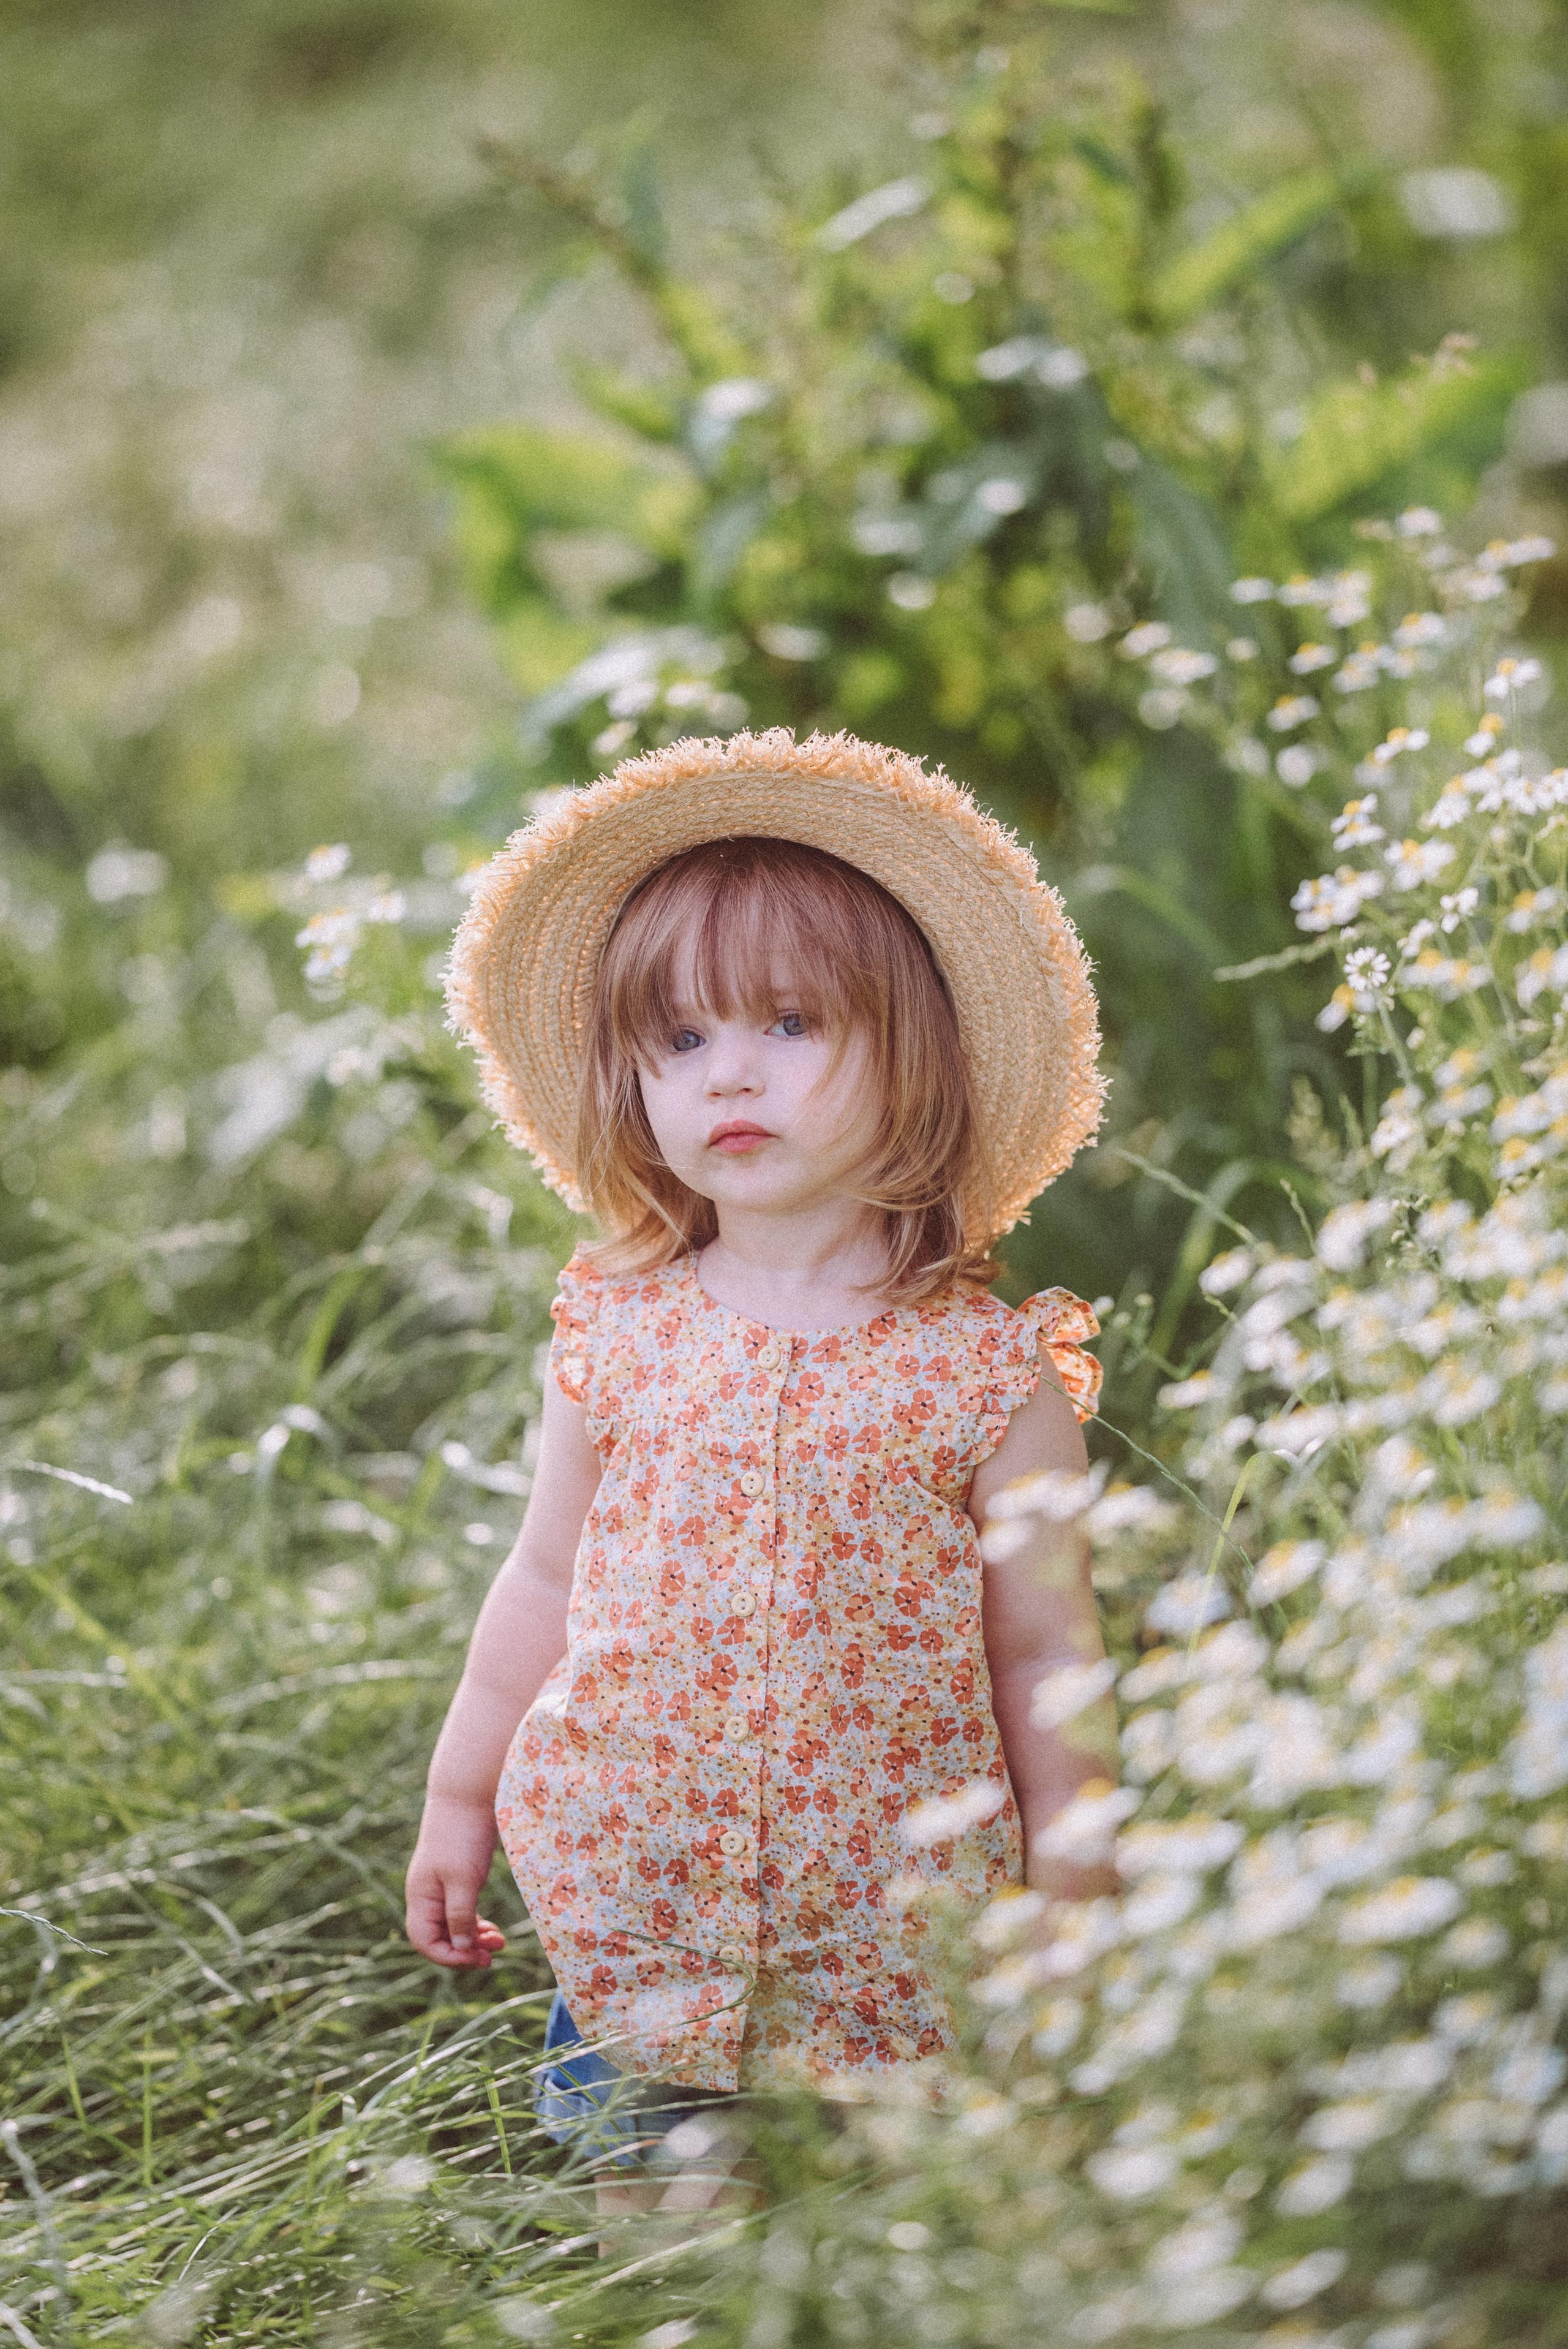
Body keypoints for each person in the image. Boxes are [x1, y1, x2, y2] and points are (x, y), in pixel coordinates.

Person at [405, 727, 1116, 2218]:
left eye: (789, 1022)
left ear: (914, 1050)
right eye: (678, 1040)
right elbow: (544, 1576)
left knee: (898, 2245)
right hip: (640, 1899)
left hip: (898, 1932)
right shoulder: (616, 1328)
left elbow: (1046, 1648)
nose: (728, 1069)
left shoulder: (989, 1373)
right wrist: (461, 1796)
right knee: (662, 2237)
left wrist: (1075, 1884)